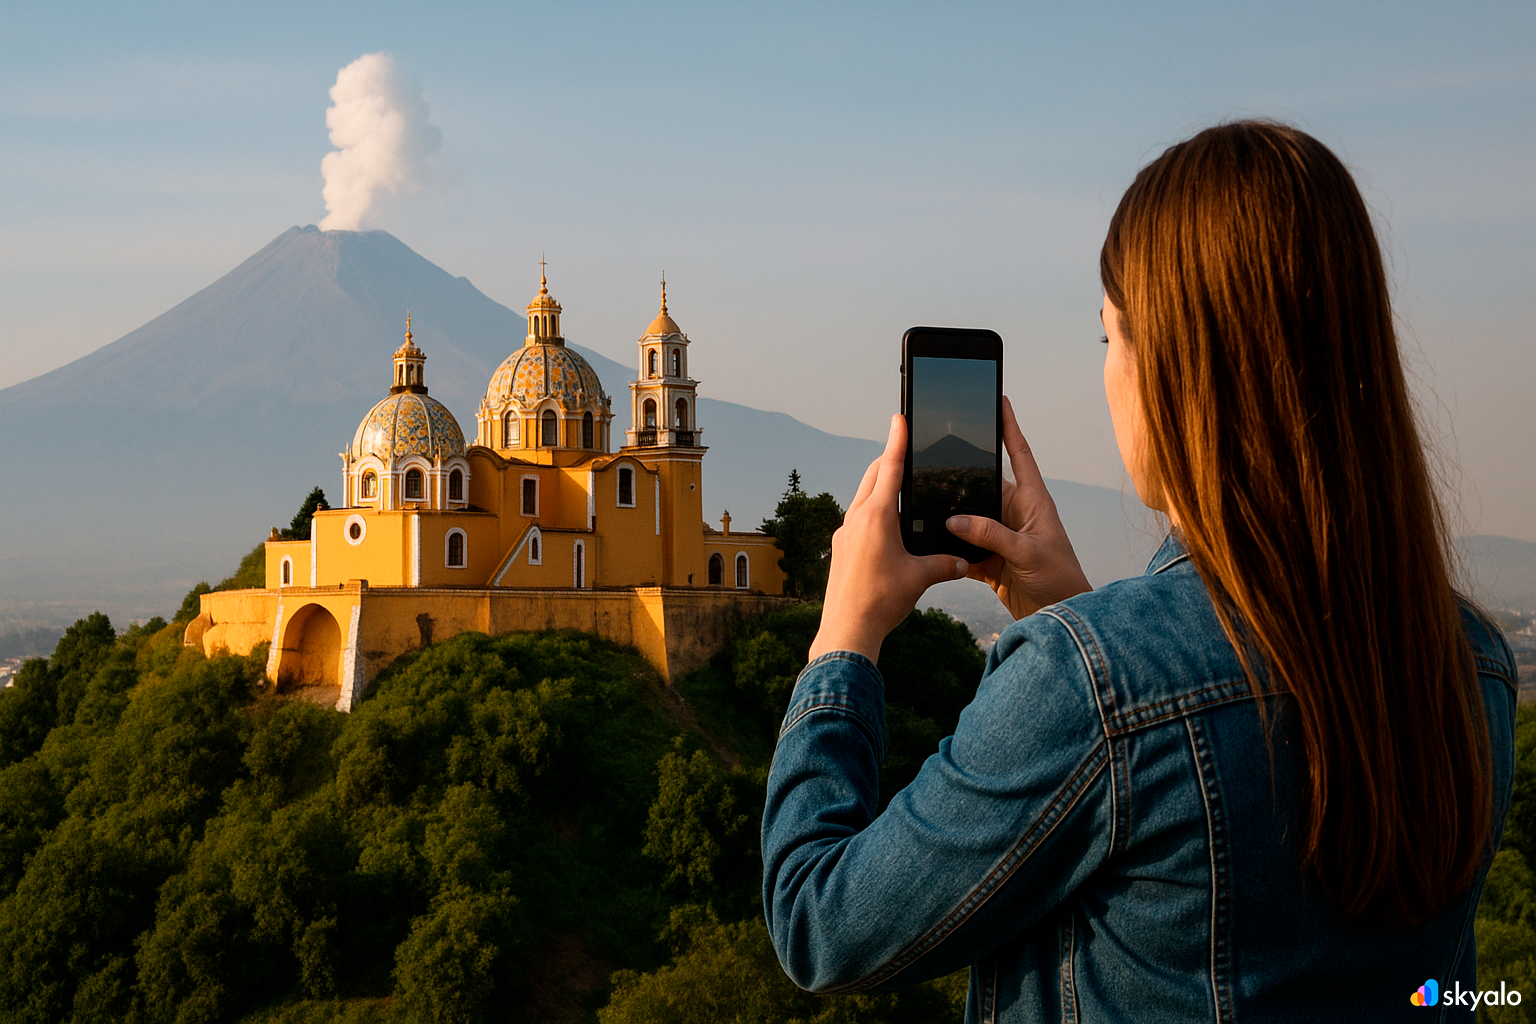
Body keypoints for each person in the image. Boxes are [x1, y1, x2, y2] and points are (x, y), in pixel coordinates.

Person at [760, 120, 1517, 1022]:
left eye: (1108, 337)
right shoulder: (1471, 662)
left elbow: (822, 923)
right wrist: (1082, 617)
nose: (1108, 373)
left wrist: (844, 638)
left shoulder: (1087, 685)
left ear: (1178, 364)